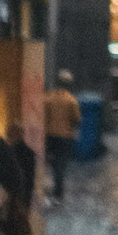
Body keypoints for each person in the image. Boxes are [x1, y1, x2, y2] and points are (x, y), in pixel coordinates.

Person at [43, 73, 81, 202]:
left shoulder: (48, 98)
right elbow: (76, 119)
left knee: (50, 161)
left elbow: (44, 117)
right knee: (61, 163)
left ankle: (49, 188)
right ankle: (58, 192)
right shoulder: (71, 100)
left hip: (50, 135)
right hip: (65, 136)